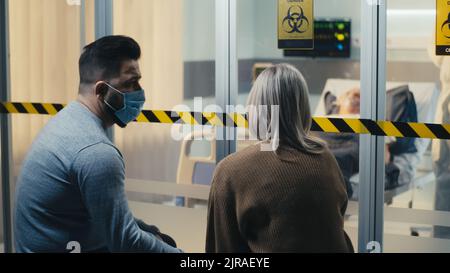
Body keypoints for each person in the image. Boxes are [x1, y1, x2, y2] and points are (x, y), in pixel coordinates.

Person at [14, 35, 182, 253]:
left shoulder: (66, 121)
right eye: (131, 83)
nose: (140, 92)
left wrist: (147, 231)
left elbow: (103, 213)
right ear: (102, 91)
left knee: (159, 240)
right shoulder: (96, 152)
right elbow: (125, 242)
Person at [205, 63, 354, 253]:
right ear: (303, 110)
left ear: (254, 109)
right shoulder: (325, 159)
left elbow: (222, 248)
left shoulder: (231, 171)